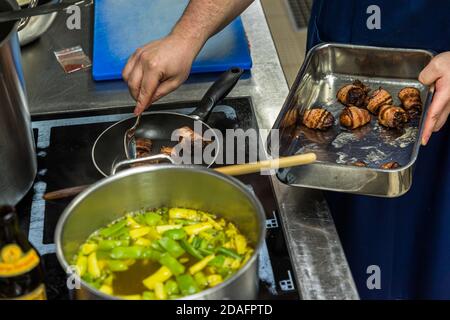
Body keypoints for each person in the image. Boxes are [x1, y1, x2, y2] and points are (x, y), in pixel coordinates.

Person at [122, 0, 450, 299]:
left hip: (437, 93)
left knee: (411, 256)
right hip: (334, 63)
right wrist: (186, 36)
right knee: (326, 236)